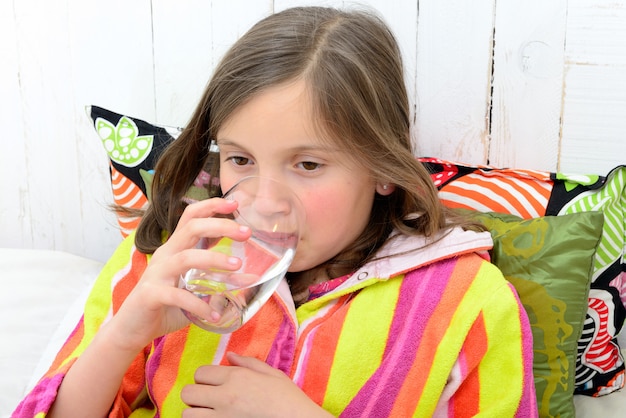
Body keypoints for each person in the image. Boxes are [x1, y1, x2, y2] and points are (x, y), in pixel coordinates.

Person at [13, 6, 537, 417]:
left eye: (307, 164)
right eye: (240, 159)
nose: (264, 202)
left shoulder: (469, 303)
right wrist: (125, 333)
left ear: (384, 167)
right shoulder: (165, 260)